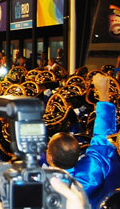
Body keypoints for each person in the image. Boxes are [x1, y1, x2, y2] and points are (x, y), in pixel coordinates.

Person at [46, 74, 117, 206]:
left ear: (49, 157)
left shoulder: (46, 190)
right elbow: (103, 138)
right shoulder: (91, 171)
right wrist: (103, 93)